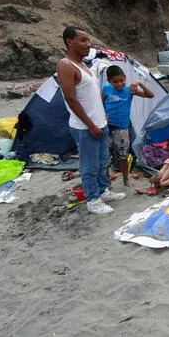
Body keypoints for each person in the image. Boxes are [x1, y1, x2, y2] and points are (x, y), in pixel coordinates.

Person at [57, 26, 126, 215]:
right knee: (90, 164)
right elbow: (71, 98)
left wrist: (101, 116)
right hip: (85, 126)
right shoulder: (66, 65)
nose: (88, 44)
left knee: (103, 160)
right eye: (83, 40)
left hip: (99, 123)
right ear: (70, 42)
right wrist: (90, 124)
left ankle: (103, 191)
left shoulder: (83, 65)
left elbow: (91, 96)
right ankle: (92, 199)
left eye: (88, 40)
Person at [101, 65, 154, 186]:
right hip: (107, 127)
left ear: (125, 78)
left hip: (122, 128)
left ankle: (125, 180)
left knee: (123, 155)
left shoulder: (129, 90)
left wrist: (140, 84)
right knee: (104, 156)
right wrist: (103, 115)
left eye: (122, 80)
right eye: (115, 82)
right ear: (109, 81)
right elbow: (100, 103)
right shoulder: (106, 89)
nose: (119, 84)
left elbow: (150, 95)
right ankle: (105, 181)